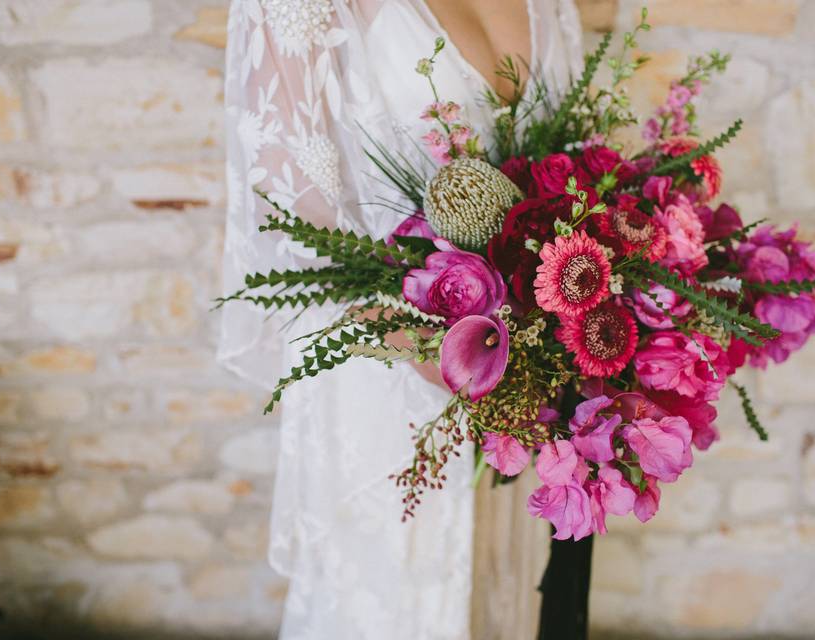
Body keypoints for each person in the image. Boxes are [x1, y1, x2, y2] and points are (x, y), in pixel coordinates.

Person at [220, 1, 582, 637]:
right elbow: (284, 211)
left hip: (531, 388)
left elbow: (578, 168)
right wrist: (439, 350)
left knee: (507, 602)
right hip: (386, 374)